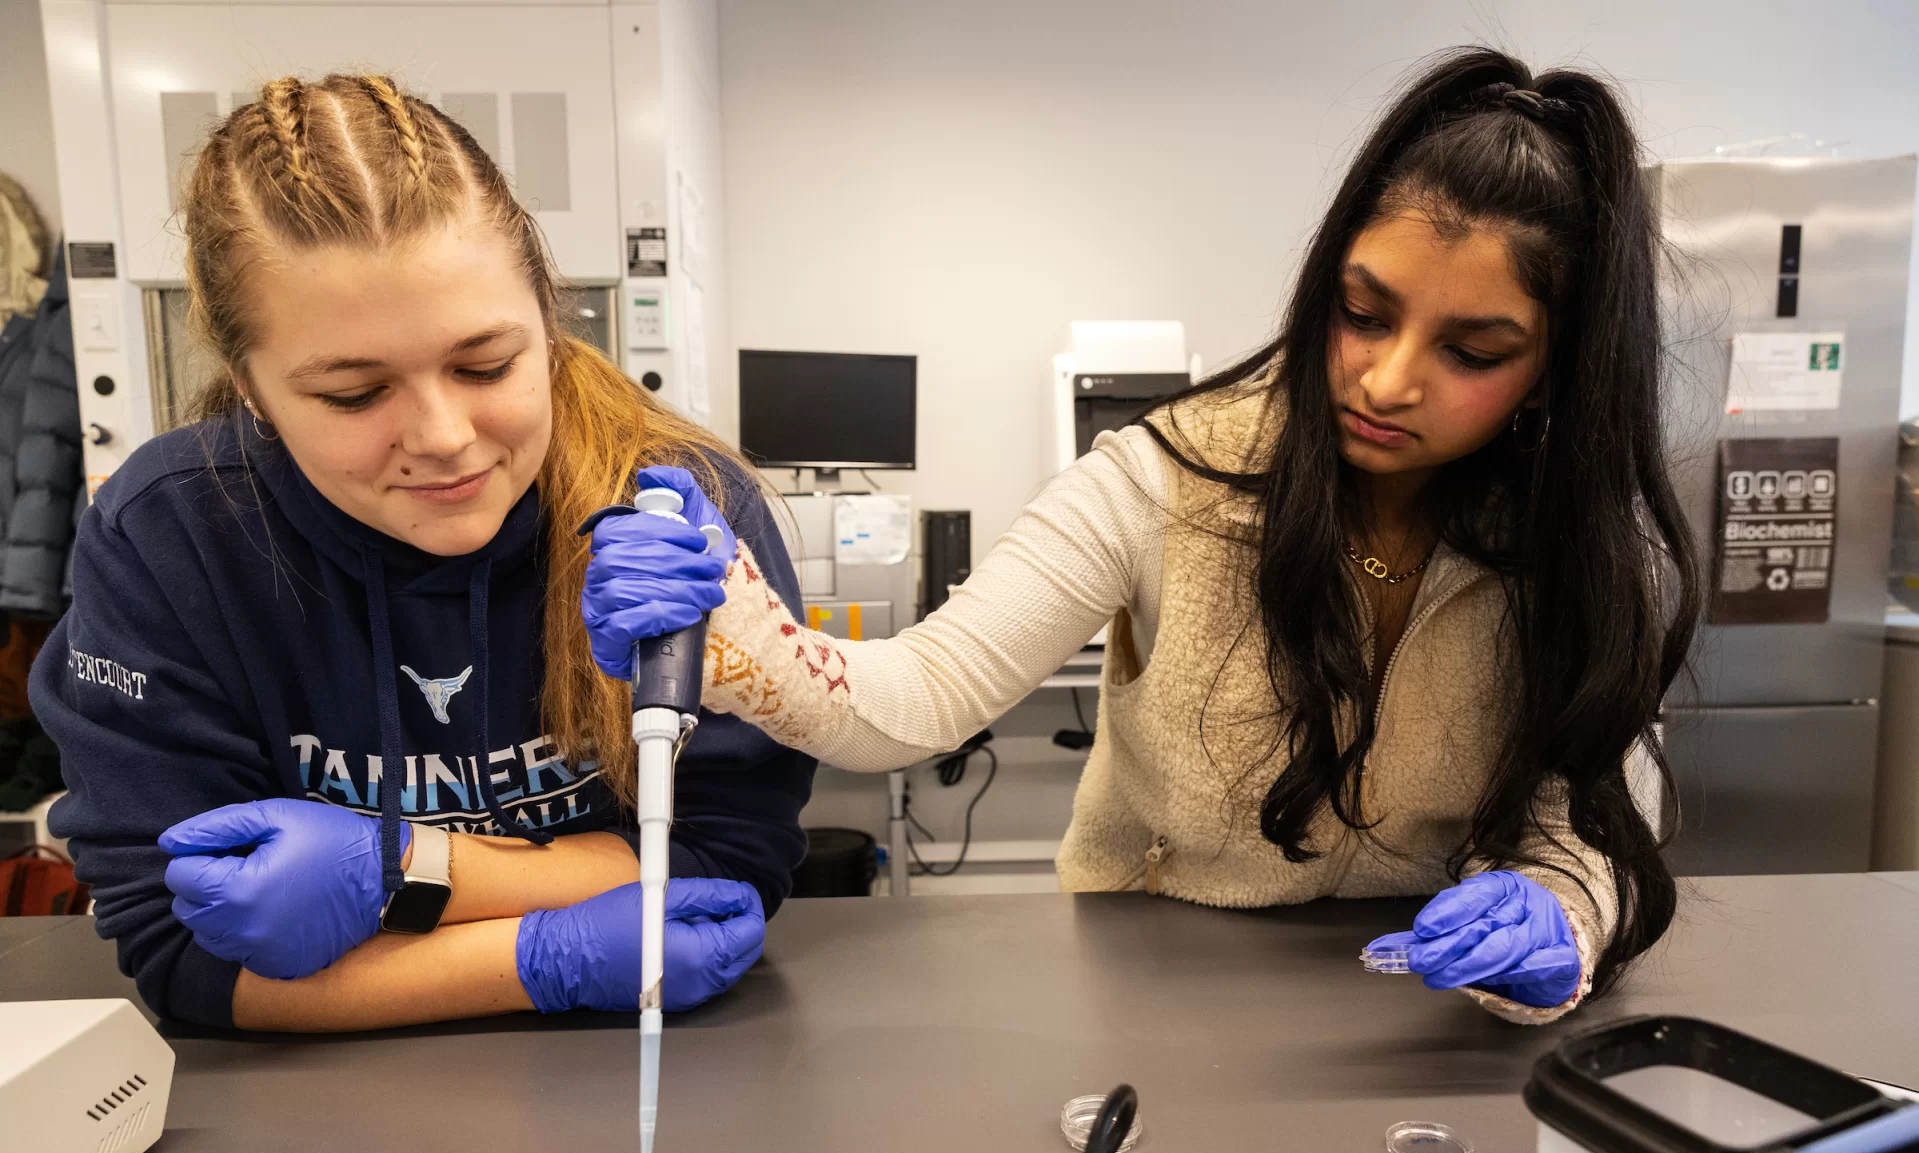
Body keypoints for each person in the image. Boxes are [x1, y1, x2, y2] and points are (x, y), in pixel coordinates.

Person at [588, 48, 1701, 1025]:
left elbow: (1591, 815)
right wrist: (730, 618)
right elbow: (913, 697)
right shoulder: (1163, 473)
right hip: (1152, 978)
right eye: (1361, 313)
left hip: (1412, 1005)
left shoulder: (1582, 544)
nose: (1386, 377)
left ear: (1554, 372)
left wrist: (1563, 909)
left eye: (1472, 351)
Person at [30, 74, 816, 1032]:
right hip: (307, 1119)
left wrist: (395, 875)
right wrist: (538, 949)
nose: (443, 435)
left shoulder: (671, 511)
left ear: (548, 319)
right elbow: (181, 950)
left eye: (487, 365)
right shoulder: (172, 540)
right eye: (354, 394)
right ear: (251, 389)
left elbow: (719, 860)